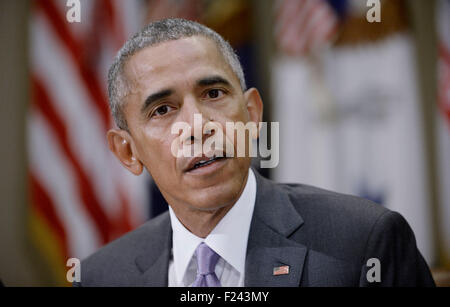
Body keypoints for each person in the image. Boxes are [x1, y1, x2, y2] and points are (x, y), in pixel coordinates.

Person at [75, 19, 435, 287]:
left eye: (213, 94)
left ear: (252, 114)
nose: (198, 126)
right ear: (127, 151)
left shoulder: (364, 243)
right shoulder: (99, 278)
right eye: (163, 110)